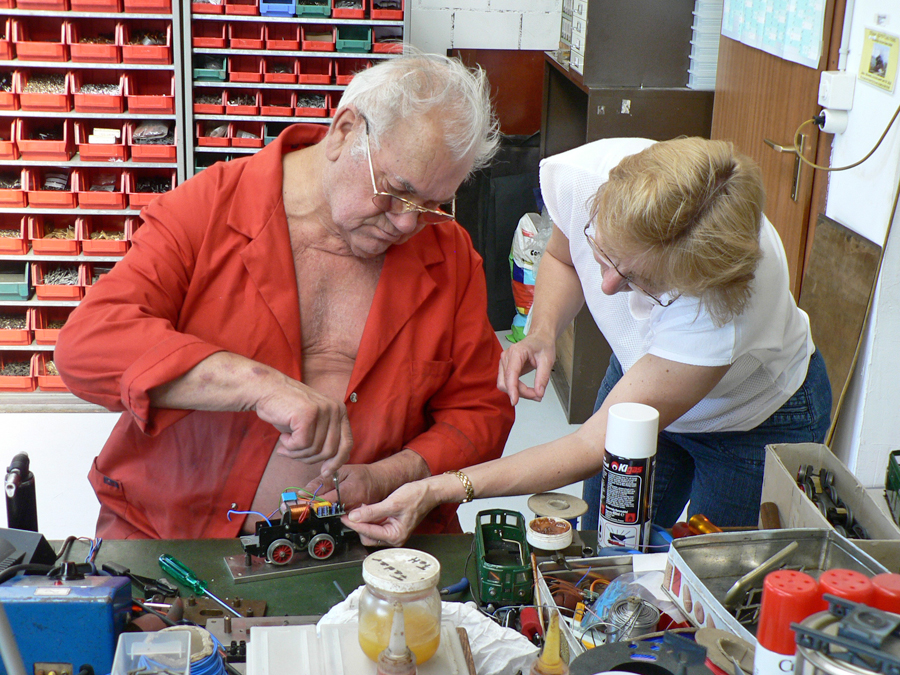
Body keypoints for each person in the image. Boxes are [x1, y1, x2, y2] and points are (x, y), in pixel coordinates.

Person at [54, 53, 515, 540]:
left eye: (431, 206)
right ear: (344, 132)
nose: (406, 223)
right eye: (397, 191)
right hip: (175, 533)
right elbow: (87, 348)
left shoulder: (448, 254)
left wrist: (389, 475)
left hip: (366, 545)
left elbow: (480, 412)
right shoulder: (209, 209)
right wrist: (257, 384)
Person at [345, 136, 832, 546]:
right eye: (605, 253)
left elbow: (587, 444)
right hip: (643, 374)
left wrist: (440, 488)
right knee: (605, 547)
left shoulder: (721, 312)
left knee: (710, 577)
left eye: (641, 282)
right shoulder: (587, 178)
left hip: (747, 420)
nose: (607, 287)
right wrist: (542, 329)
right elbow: (562, 258)